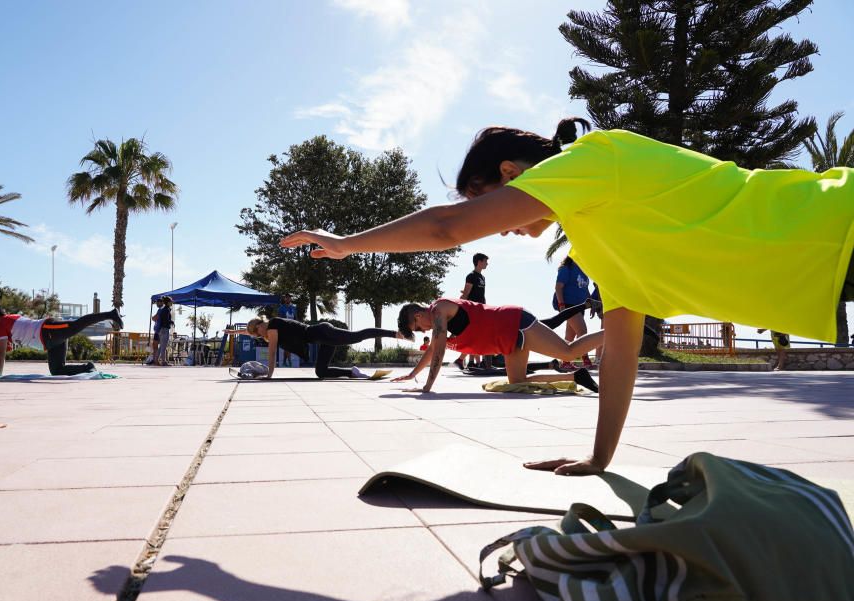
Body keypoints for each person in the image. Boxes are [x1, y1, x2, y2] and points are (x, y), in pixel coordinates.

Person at [279, 117, 854, 475]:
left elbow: (445, 228)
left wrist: (345, 244)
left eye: (489, 203)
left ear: (510, 173)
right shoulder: (601, 234)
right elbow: (621, 350)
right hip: (831, 260)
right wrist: (600, 459)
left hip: (835, 224)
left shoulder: (592, 160)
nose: (498, 226)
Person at [392, 299, 601, 393]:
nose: (423, 332)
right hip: (507, 340)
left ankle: (616, 333)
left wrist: (427, 387)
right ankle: (577, 376)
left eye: (418, 328)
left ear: (418, 316)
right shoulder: (438, 321)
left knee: (569, 351)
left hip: (515, 322)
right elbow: (432, 350)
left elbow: (437, 352)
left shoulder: (439, 310)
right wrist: (413, 375)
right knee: (517, 382)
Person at [0, 305, 122, 376]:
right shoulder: (8, 318)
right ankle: (88, 367)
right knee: (57, 370)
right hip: (50, 342)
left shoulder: (1, 326)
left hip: (48, 331)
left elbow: (0, 353)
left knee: (76, 324)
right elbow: (1, 325)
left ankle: (111, 314)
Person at [245, 317, 400, 379]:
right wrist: (234, 331)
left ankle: (394, 334)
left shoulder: (272, 326)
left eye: (257, 332)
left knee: (357, 336)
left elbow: (272, 354)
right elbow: (253, 332)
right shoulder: (270, 327)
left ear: (259, 325)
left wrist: (269, 376)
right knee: (321, 372)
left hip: (323, 332)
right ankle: (352, 372)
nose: (259, 335)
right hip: (322, 339)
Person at [554, 256, 594, 370]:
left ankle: (565, 362)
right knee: (582, 331)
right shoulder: (566, 268)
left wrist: (591, 303)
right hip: (568, 305)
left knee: (570, 336)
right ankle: (586, 360)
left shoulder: (584, 270)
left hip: (580, 306)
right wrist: (562, 306)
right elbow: (558, 287)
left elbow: (585, 289)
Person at [455, 252, 489, 370]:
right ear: (479, 262)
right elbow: (466, 293)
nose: (487, 264)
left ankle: (467, 361)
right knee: (477, 335)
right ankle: (466, 360)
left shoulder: (482, 277)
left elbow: (479, 294)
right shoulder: (471, 276)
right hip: (472, 310)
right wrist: (458, 307)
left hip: (481, 309)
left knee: (476, 336)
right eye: (485, 261)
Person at [277, 294, 298, 367]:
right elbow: (279, 319)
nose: (288, 299)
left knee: (288, 346)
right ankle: (288, 361)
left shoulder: (294, 308)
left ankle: (285, 362)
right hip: (284, 329)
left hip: (292, 329)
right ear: (285, 299)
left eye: (289, 298)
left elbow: (296, 319)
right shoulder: (281, 308)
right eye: (287, 298)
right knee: (287, 345)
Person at [154, 296, 174, 366]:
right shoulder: (166, 310)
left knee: (161, 346)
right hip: (165, 329)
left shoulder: (163, 310)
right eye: (171, 301)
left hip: (161, 330)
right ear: (168, 302)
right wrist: (171, 322)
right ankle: (163, 361)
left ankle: (156, 360)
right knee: (164, 346)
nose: (172, 303)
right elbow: (165, 321)